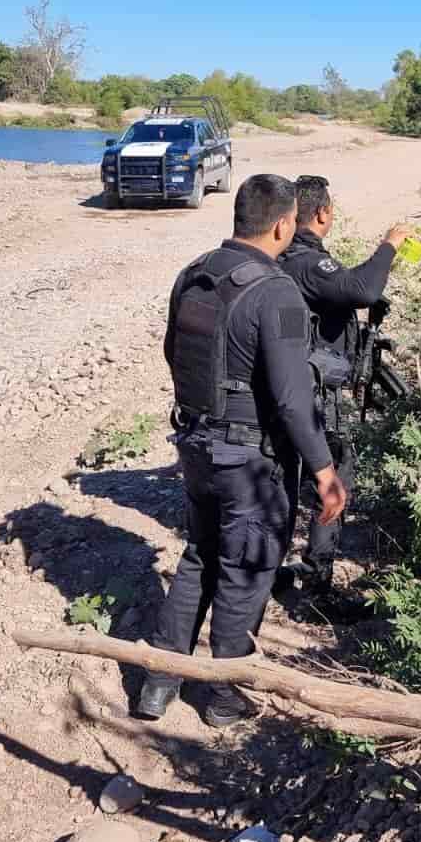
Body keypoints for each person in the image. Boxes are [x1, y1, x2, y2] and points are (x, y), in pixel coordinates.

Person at [137, 174, 348, 727]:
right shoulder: (277, 292)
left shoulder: (194, 274)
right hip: (250, 463)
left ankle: (158, 684)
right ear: (282, 226)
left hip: (196, 447)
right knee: (244, 572)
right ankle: (224, 699)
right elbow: (292, 401)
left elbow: (173, 353)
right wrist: (325, 471)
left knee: (200, 557)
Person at [276, 175, 410, 592]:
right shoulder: (306, 261)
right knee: (334, 475)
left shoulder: (280, 255)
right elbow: (362, 289)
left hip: (289, 385)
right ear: (322, 213)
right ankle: (318, 579)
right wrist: (390, 245)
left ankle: (270, 569)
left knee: (286, 478)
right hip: (315, 395)